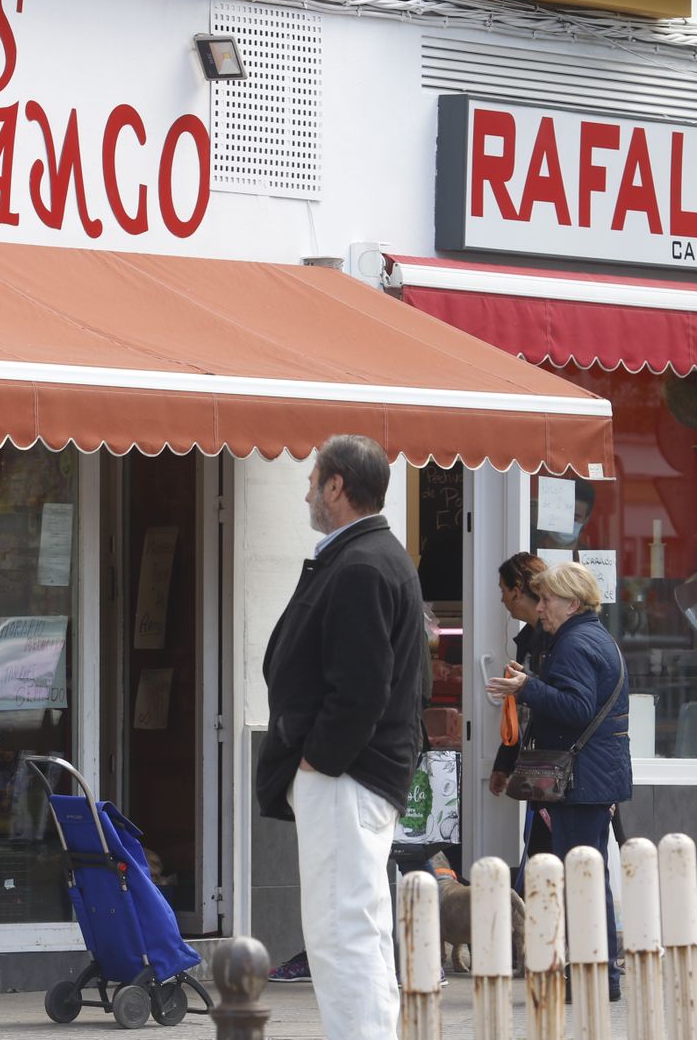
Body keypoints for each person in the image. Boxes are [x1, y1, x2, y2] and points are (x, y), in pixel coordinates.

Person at [255, 434, 427, 1040]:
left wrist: (317, 764)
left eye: (312, 480)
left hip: (345, 776)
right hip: (355, 774)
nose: (305, 490)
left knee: (338, 931)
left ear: (336, 486)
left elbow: (360, 690)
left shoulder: (360, 564)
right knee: (360, 928)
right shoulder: (372, 556)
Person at [488, 560, 631, 1001]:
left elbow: (577, 708)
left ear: (571, 602)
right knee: (586, 875)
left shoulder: (574, 643)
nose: (540, 606)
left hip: (583, 780)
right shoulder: (587, 635)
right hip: (591, 777)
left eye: (548, 598)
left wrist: (526, 687)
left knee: (581, 877)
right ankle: (596, 975)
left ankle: (597, 977)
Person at [488, 553, 555, 881]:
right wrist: (504, 763)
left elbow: (553, 702)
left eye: (502, 589)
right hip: (540, 763)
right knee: (541, 856)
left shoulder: (556, 638)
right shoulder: (529, 639)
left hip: (557, 767)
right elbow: (520, 712)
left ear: (517, 590)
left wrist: (525, 686)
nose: (501, 598)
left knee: (548, 856)